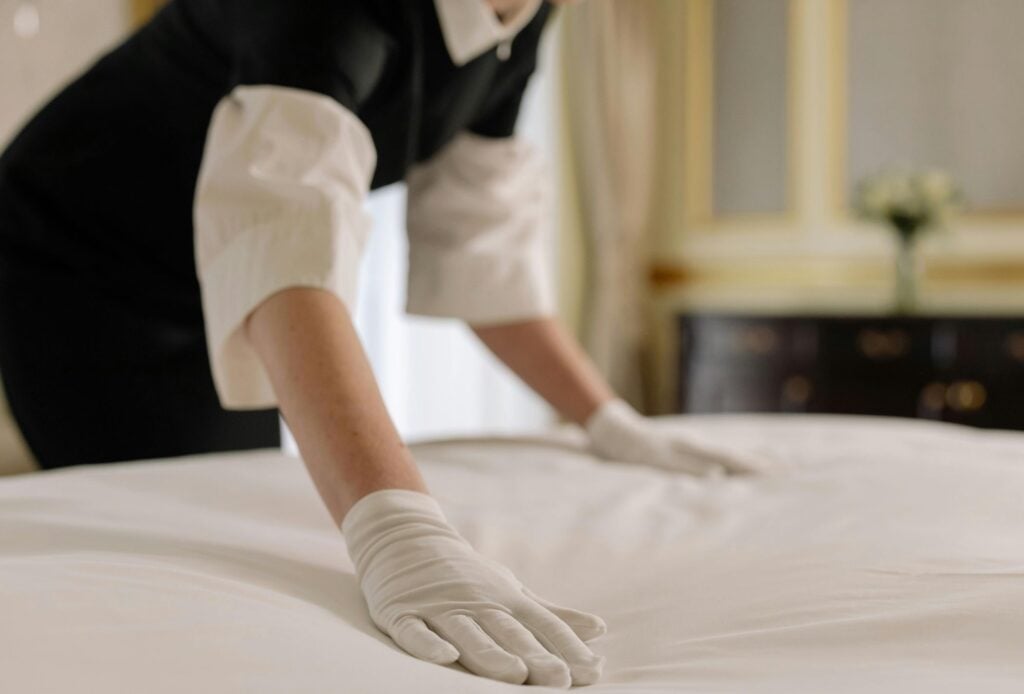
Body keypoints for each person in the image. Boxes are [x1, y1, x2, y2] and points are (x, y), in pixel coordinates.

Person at [0, 0, 756, 686]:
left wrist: (606, 418)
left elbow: (480, 250)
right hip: (74, 269)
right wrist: (400, 530)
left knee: (223, 504)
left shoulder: (521, 19)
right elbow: (280, 254)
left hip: (211, 283)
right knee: (166, 528)